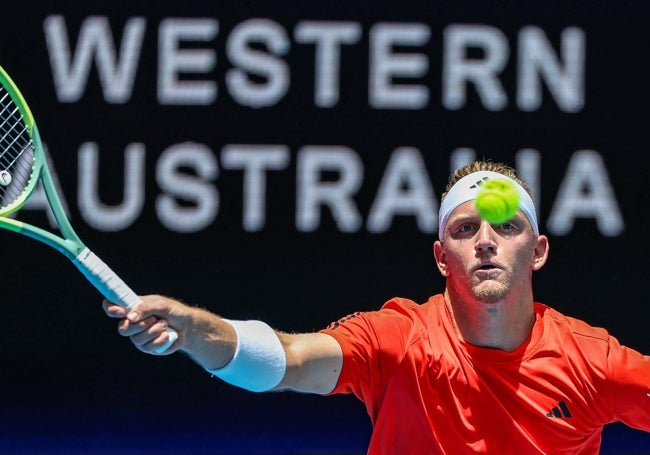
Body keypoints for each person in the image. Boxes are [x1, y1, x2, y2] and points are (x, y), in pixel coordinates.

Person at [103, 160, 650, 454]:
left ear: (538, 249)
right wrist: (196, 330)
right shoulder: (398, 339)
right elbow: (288, 360)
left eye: (507, 226)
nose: (486, 241)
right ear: (442, 256)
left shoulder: (592, 363)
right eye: (466, 228)